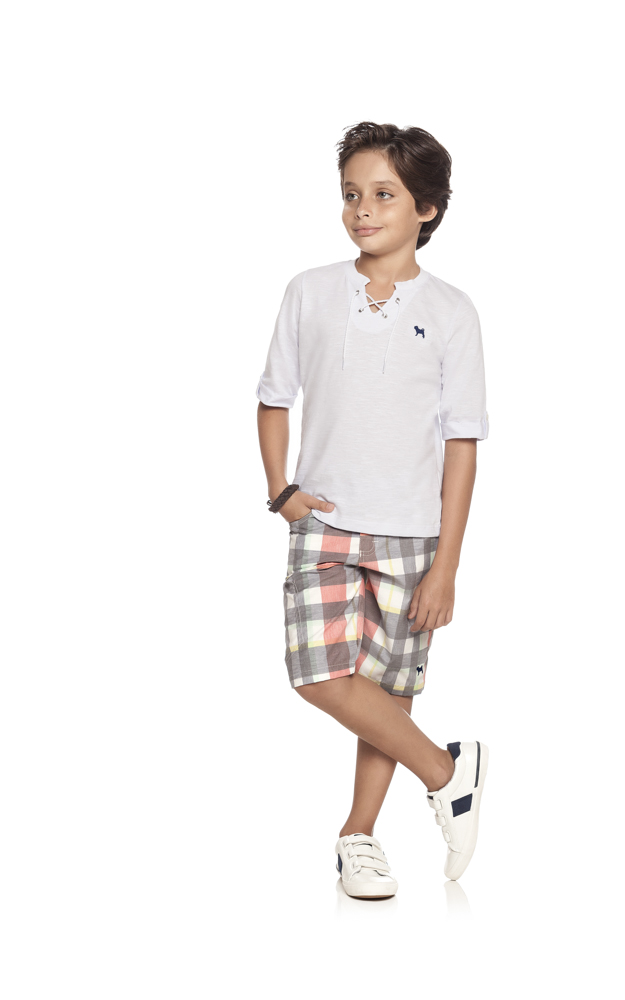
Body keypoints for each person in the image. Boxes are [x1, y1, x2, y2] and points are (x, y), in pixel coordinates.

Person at [256, 121, 489, 898]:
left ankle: (358, 837)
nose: (361, 209)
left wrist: (446, 567)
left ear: (425, 208)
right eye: (351, 194)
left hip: (412, 533)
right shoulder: (309, 291)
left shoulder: (451, 311)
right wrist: (281, 491)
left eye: (383, 195)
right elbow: (272, 398)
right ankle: (446, 774)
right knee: (318, 675)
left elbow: (461, 443)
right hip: (321, 521)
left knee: (387, 695)